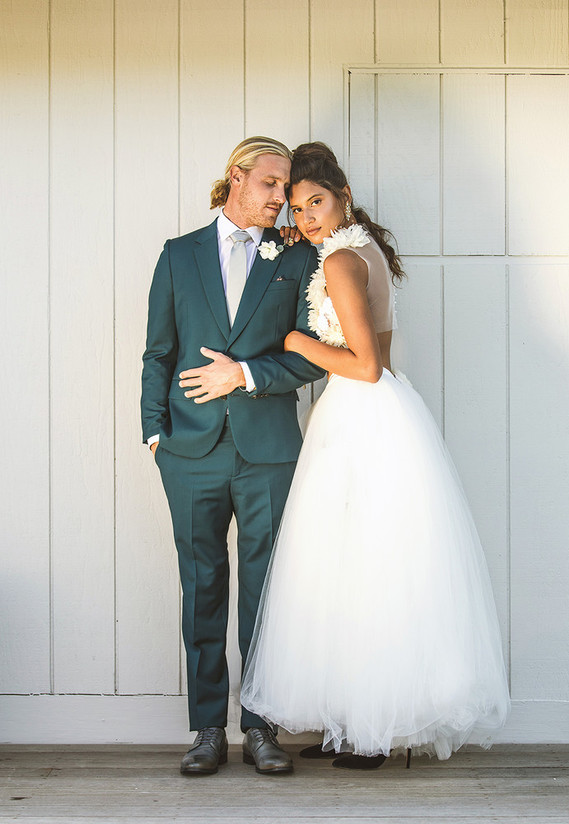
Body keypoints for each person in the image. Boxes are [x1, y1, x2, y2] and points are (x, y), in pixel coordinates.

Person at [241, 142, 510, 769]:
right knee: (363, 566)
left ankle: (369, 731)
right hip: (387, 412)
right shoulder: (364, 251)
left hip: (360, 413)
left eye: (317, 203)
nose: (306, 218)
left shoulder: (338, 261)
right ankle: (355, 724)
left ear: (344, 199)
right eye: (299, 208)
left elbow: (364, 366)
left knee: (359, 565)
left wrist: (296, 341)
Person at [141, 136, 324, 776]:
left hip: (268, 450)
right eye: (272, 185)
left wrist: (244, 374)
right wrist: (154, 433)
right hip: (189, 452)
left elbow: (309, 353)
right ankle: (207, 730)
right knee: (202, 588)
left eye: (288, 188)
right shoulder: (178, 254)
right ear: (237, 179)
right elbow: (158, 352)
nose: (284, 200)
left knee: (266, 590)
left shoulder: (297, 259)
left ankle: (262, 725)